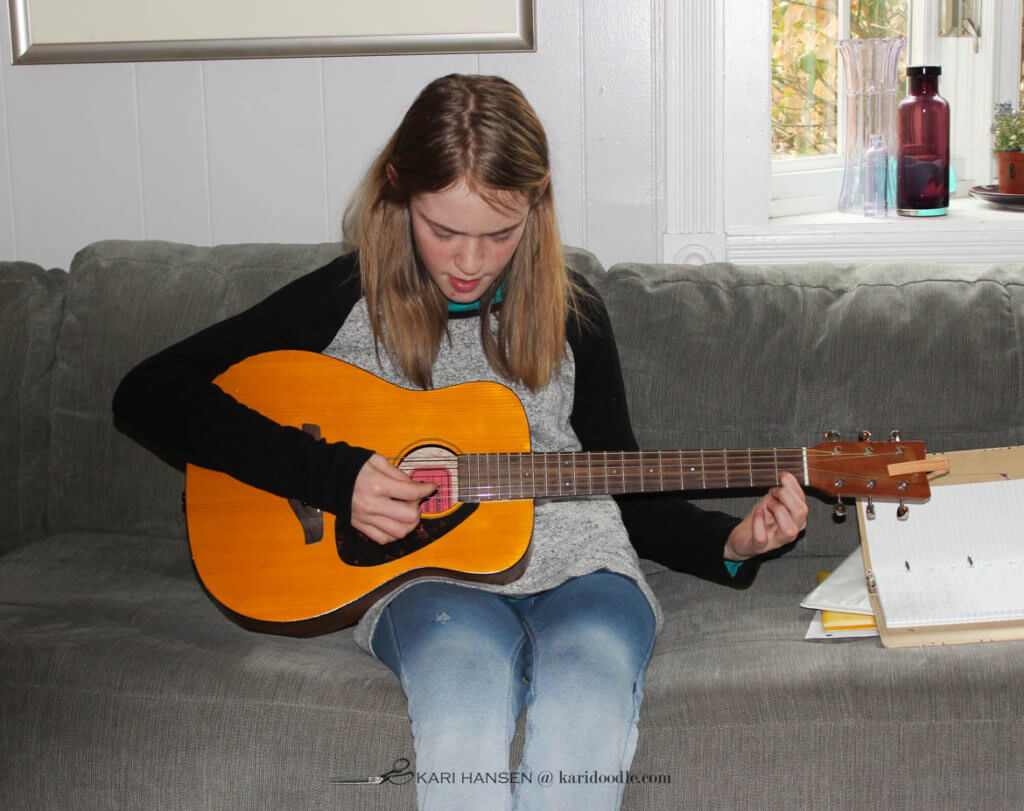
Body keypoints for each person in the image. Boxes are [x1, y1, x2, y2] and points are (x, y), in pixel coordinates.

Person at [113, 73, 807, 810]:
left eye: (499, 235)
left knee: (584, 713)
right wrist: (331, 475)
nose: (471, 262)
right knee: (461, 712)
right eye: (444, 230)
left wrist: (733, 544)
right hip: (429, 582)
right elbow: (150, 392)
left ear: (535, 208)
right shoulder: (348, 299)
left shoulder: (576, 314)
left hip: (585, 572)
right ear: (398, 192)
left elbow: (623, 489)